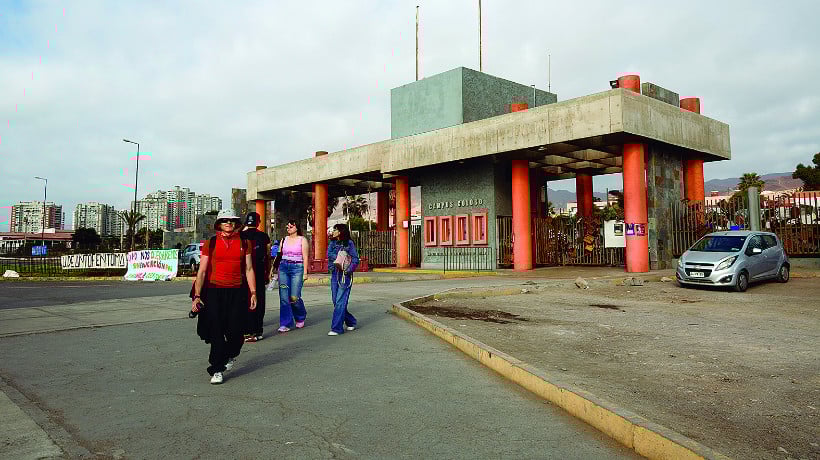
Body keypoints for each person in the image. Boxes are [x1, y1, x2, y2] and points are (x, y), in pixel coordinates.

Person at [191, 209, 257, 385]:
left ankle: (229, 355)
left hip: (237, 292)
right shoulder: (210, 243)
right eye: (225, 220)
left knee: (237, 333)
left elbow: (249, 269)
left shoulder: (245, 242)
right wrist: (197, 296)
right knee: (217, 332)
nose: (228, 223)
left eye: (232, 220)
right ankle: (217, 369)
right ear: (219, 224)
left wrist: (253, 292)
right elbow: (202, 271)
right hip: (214, 291)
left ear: (236, 223)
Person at [240, 212, 271, 343]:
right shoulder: (264, 237)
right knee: (259, 301)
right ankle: (257, 331)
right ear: (258, 222)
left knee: (245, 301)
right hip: (258, 272)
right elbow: (268, 256)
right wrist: (268, 272)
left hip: (243, 273)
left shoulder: (240, 236)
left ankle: (246, 331)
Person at [326, 223, 359, 336]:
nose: (333, 231)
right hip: (335, 273)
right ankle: (351, 321)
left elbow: (355, 259)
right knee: (336, 300)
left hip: (345, 274)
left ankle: (336, 328)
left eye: (335, 229)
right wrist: (340, 255)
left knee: (340, 301)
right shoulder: (332, 243)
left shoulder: (349, 243)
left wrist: (348, 269)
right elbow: (329, 254)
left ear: (340, 231)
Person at [277, 219, 309, 332]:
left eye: (291, 225)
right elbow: (279, 255)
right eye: (287, 225)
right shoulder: (284, 239)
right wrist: (274, 270)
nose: (289, 227)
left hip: (297, 268)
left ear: (297, 227)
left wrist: (305, 272)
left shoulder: (302, 240)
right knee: (284, 297)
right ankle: (285, 323)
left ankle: (300, 316)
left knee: (294, 297)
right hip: (284, 268)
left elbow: (305, 257)